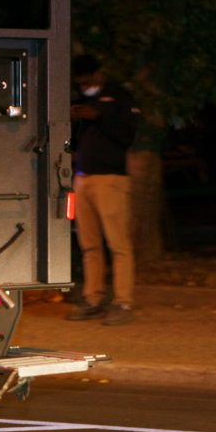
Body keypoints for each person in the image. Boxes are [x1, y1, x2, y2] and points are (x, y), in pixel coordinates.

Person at [67, 54, 142, 325]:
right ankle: (93, 299)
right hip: (83, 179)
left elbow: (128, 135)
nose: (84, 84)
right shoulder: (80, 100)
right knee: (89, 245)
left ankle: (123, 303)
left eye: (88, 79)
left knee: (118, 244)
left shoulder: (119, 97)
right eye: (80, 81)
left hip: (111, 179)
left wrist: (98, 116)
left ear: (99, 74)